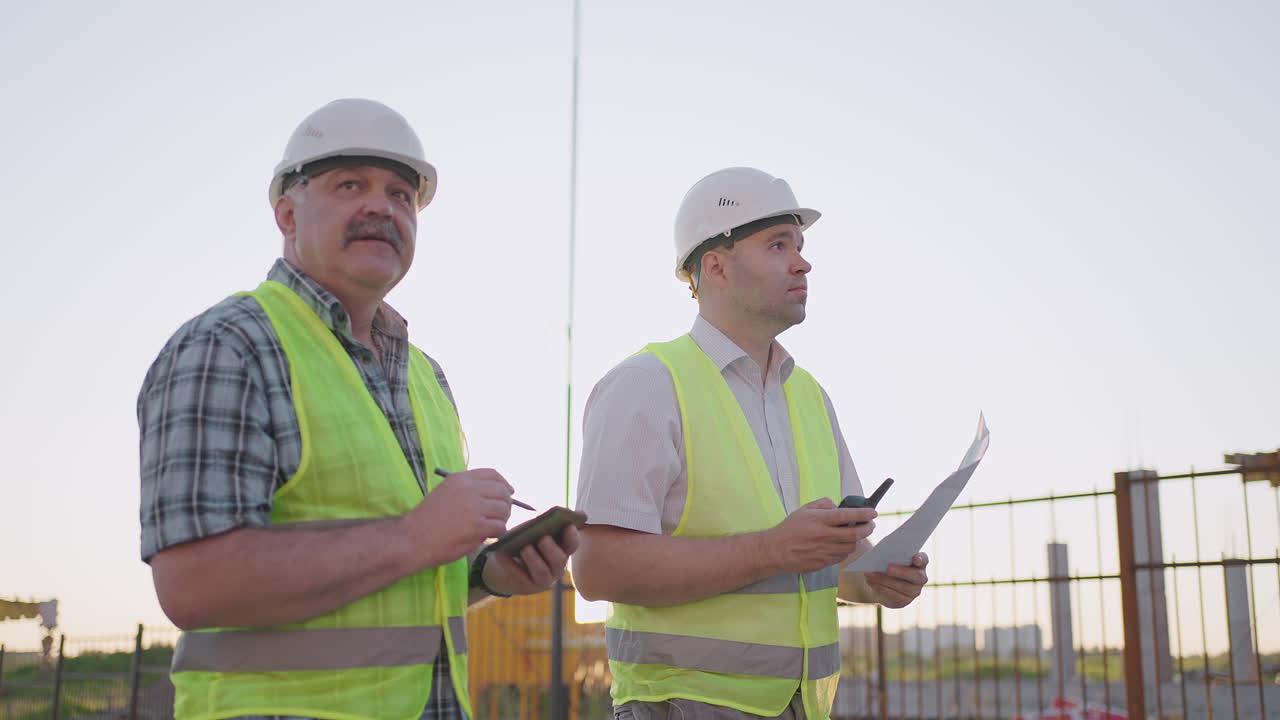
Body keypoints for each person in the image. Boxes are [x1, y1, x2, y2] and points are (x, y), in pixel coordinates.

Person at [137, 98, 578, 720]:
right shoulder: (230, 346)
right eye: (350, 185)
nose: (381, 206)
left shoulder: (426, 375)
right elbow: (194, 584)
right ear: (286, 213)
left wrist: (486, 575)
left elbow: (406, 575)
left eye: (402, 194)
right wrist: (418, 535)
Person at [571, 167, 930, 720]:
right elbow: (597, 570)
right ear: (715, 265)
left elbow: (825, 565)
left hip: (804, 707)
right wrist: (772, 548)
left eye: (801, 246)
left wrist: (877, 578)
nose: (803, 262)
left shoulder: (810, 396)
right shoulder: (646, 385)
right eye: (778, 244)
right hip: (682, 706)